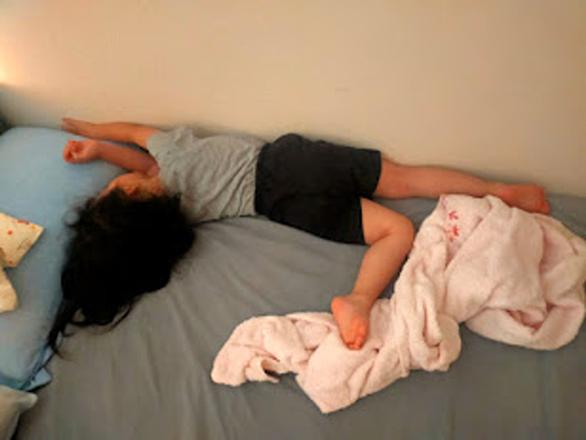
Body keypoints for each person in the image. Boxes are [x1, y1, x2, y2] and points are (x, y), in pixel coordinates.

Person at [48, 118, 550, 353]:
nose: (108, 183)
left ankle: (358, 299)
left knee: (394, 230)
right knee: (402, 180)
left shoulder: (179, 220)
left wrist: (100, 152)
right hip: (291, 164)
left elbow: (142, 168)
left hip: (284, 208)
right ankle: (496, 191)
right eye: (108, 192)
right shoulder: (175, 155)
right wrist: (96, 133)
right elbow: (137, 136)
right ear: (133, 194)